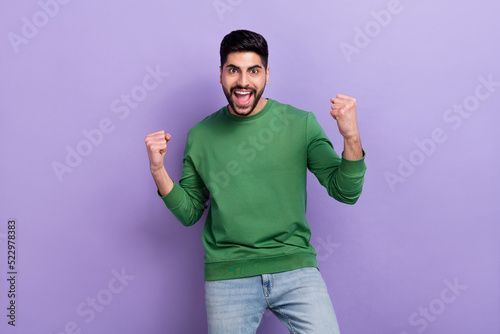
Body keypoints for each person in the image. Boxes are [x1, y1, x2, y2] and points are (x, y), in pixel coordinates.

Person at [145, 29, 366, 334]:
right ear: (221, 74)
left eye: (253, 71)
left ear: (266, 75)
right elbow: (190, 212)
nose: (243, 82)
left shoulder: (300, 124)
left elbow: (346, 191)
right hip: (228, 274)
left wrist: (351, 136)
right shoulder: (201, 135)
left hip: (295, 268)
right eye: (233, 70)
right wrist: (158, 171)